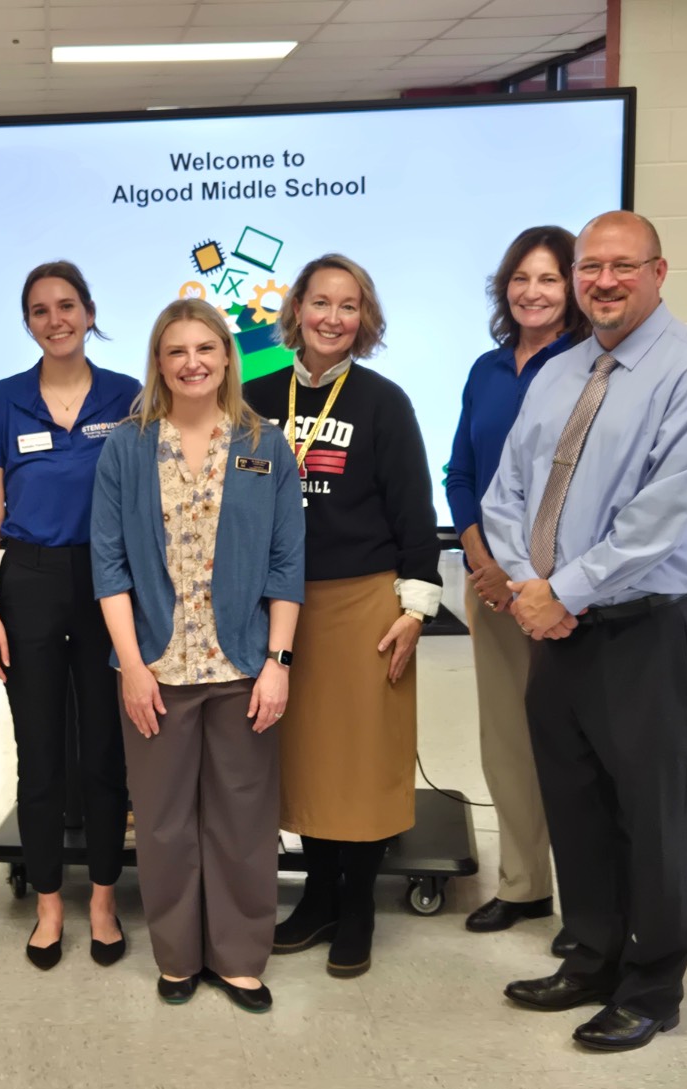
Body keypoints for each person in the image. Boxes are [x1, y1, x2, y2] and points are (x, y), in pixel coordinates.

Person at [482, 211, 687, 1052]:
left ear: (658, 273)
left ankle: (652, 984)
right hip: (556, 628)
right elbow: (506, 491)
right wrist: (534, 590)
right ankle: (591, 954)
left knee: (652, 811)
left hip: (650, 627)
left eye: (621, 267)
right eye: (590, 266)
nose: (603, 281)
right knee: (577, 799)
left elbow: (660, 520)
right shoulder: (560, 372)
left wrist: (562, 590)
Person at [91, 297, 303, 1013]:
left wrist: (279, 661)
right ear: (159, 361)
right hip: (156, 667)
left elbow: (285, 564)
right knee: (161, 820)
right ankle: (178, 956)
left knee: (243, 818)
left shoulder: (263, 443)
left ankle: (241, 958)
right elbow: (109, 564)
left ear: (226, 357)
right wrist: (131, 665)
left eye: (206, 349)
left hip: (242, 665)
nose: (192, 363)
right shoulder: (125, 445)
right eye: (177, 350)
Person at [243, 254, 441, 980]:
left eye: (349, 306)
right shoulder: (255, 397)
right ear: (294, 309)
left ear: (365, 319)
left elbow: (415, 515)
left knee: (360, 762)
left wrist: (415, 610)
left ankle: (357, 906)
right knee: (305, 763)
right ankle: (319, 894)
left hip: (364, 602)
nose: (333, 317)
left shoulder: (384, 402)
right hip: (280, 607)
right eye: (320, 302)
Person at [0, 262, 139, 970]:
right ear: (28, 322)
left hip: (107, 585)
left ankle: (101, 899)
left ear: (90, 312)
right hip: (30, 582)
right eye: (40, 309)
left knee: (103, 752)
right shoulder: (3, 401)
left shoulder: (128, 396)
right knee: (38, 754)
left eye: (67, 305)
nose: (55, 318)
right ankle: (46, 904)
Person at [446, 227, 587, 948]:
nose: (533, 292)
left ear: (574, 289)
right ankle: (524, 886)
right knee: (506, 741)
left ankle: (587, 904)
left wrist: (532, 578)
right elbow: (460, 474)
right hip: (490, 584)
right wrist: (481, 562)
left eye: (550, 279)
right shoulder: (487, 369)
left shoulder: (593, 365)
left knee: (571, 744)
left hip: (567, 593)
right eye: (521, 278)